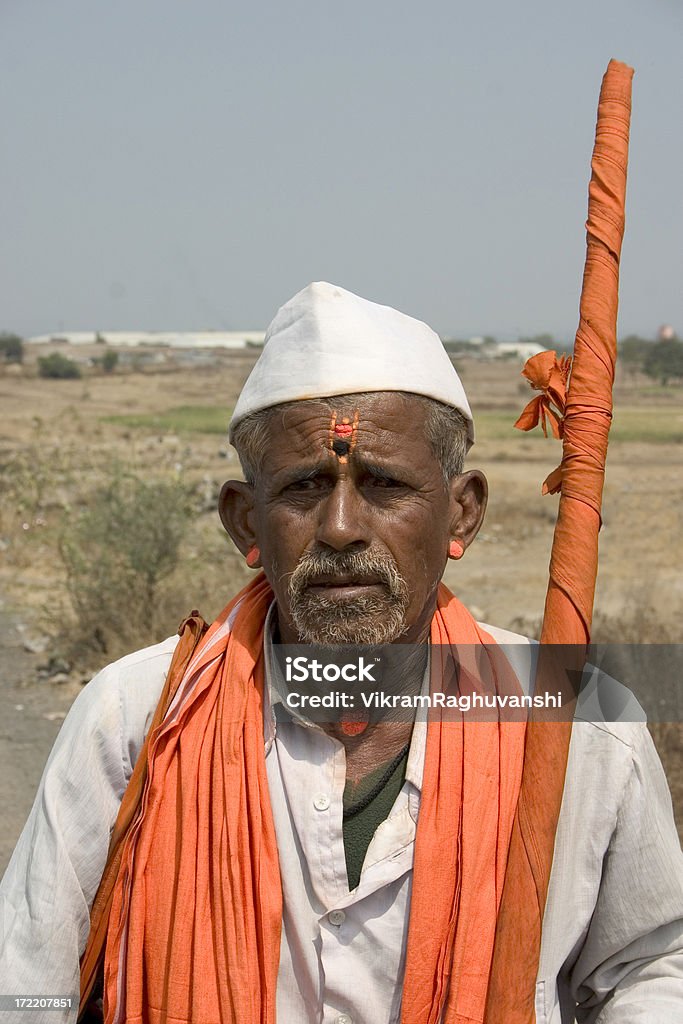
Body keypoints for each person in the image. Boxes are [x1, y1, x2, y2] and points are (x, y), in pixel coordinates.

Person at [1, 281, 682, 1023]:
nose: (340, 527)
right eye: (303, 487)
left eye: (385, 485)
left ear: (463, 512)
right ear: (245, 523)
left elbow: (650, 967)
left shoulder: (578, 719)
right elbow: (28, 984)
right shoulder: (135, 716)